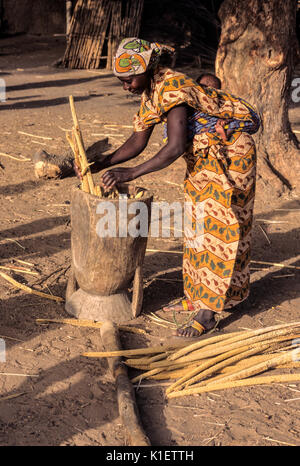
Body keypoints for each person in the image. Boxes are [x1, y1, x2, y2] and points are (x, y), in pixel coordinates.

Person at [83, 37, 260, 338]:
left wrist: (130, 174)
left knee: (219, 228)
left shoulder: (173, 87)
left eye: (129, 79)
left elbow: (175, 146)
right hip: (203, 158)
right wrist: (100, 162)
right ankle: (197, 299)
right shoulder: (152, 93)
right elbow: (138, 140)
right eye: (121, 82)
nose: (126, 86)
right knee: (197, 227)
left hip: (230, 157)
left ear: (147, 68)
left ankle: (209, 312)